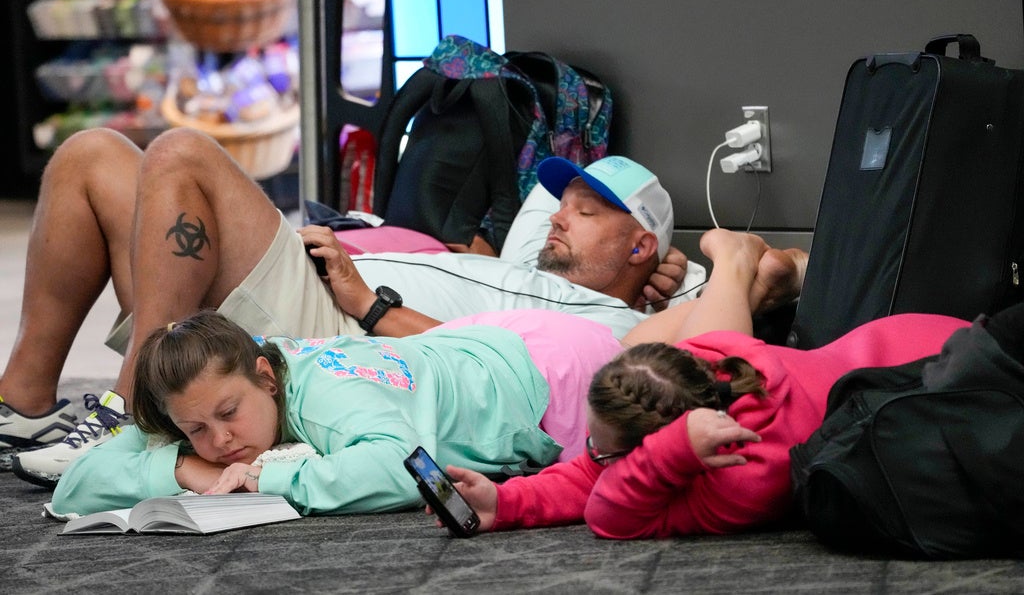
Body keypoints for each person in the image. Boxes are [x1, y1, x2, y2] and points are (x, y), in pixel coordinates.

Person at [0, 127, 700, 485]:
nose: (556, 217)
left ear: (641, 248)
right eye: (559, 204)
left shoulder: (611, 321)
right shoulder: (509, 266)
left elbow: (486, 357)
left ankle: (129, 414)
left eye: (585, 212)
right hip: (327, 284)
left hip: (337, 341)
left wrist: (368, 308)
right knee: (89, 154)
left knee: (184, 153)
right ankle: (19, 403)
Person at [49, 228, 801, 518]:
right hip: (484, 349)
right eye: (194, 430)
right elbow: (80, 480)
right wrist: (186, 470)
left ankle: (736, 266)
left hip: (538, 386)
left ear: (265, 376)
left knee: (702, 379)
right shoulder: (253, 387)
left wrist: (265, 478)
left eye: (227, 414)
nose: (221, 440)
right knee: (636, 336)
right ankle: (740, 278)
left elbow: (393, 467)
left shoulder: (332, 397)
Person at [424, 229, 972, 539]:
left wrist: (671, 453)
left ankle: (736, 261)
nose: (590, 456)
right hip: (910, 342)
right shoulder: (707, 368)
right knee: (677, 333)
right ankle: (737, 262)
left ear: (663, 446)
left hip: (940, 384)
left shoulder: (744, 475)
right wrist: (507, 500)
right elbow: (594, 471)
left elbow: (609, 511)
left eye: (605, 449)